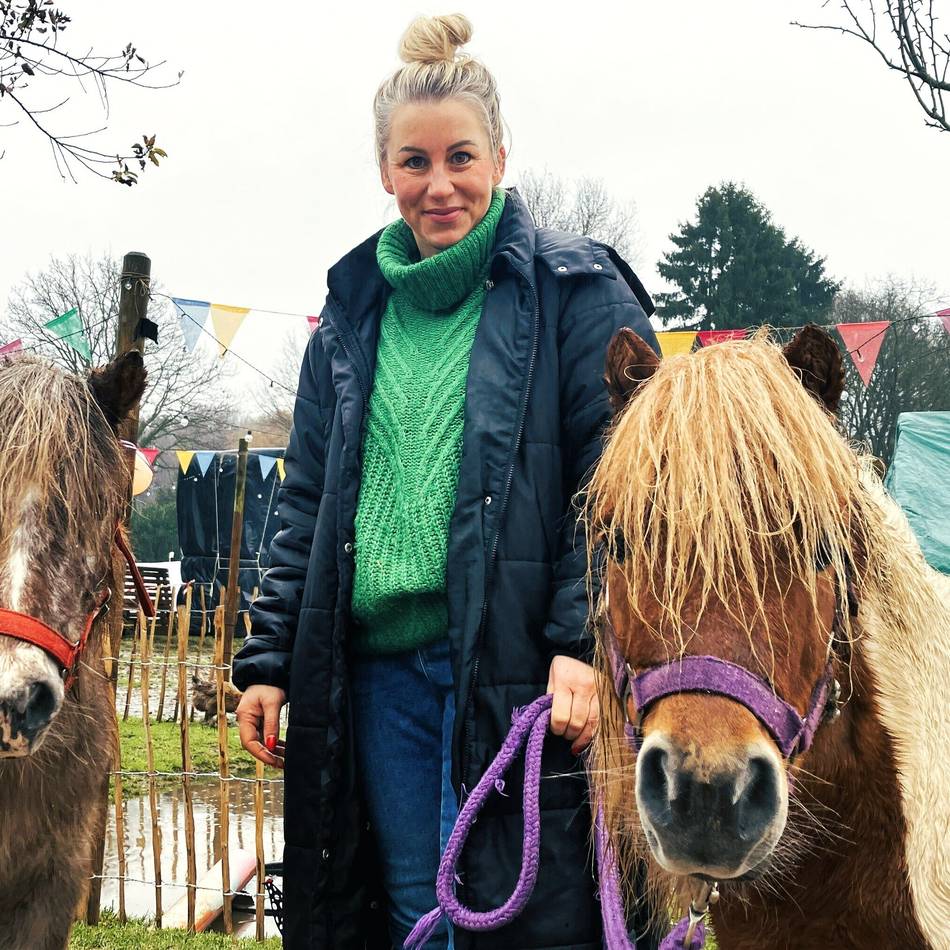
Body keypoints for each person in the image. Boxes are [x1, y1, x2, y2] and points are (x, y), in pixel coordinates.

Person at [234, 13, 660, 950]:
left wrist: (583, 641)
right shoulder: (347, 320)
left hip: (523, 674)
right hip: (379, 679)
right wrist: (267, 659)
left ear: (500, 158)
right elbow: (304, 501)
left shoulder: (577, 294)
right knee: (410, 916)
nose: (440, 184)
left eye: (461, 157)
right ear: (385, 171)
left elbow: (622, 481)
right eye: (415, 162)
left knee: (524, 919)